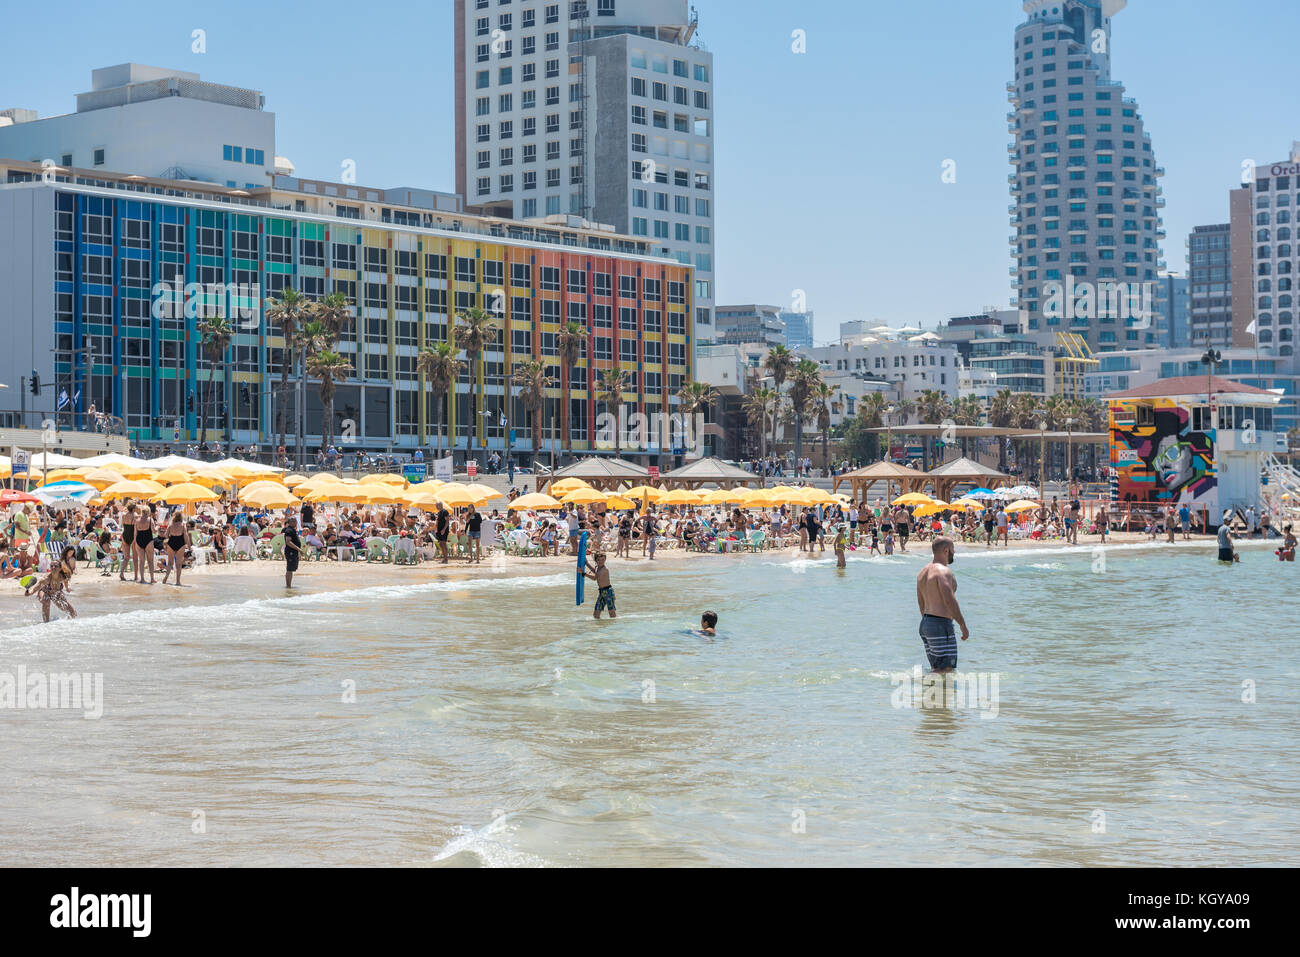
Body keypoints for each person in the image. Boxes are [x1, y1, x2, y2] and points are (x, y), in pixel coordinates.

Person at [915, 536, 969, 675]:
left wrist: (929, 624)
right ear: (946, 550)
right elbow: (949, 599)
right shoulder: (943, 571)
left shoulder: (922, 572)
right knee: (946, 670)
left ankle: (930, 695)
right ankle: (923, 686)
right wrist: (962, 624)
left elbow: (921, 602)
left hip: (926, 624)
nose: (954, 552)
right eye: (953, 549)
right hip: (940, 623)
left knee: (938, 669)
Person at [26, 545, 78, 622]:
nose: (53, 568)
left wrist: (67, 588)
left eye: (55, 566)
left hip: (56, 593)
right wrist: (30, 593)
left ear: (60, 568)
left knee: (73, 613)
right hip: (44, 591)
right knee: (46, 601)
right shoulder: (46, 579)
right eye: (51, 566)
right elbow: (37, 587)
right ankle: (46, 624)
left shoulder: (63, 576)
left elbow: (66, 581)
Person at [161, 509, 190, 586]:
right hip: (180, 543)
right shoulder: (183, 524)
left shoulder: (171, 524)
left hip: (171, 542)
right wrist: (189, 546)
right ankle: (177, 581)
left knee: (170, 563)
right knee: (179, 564)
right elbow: (186, 536)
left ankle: (166, 577)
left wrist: (170, 537)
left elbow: (166, 535)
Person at [583, 552, 616, 620]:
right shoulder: (598, 568)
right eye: (599, 560)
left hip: (608, 592)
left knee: (612, 614)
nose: (601, 561)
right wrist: (587, 563)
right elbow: (595, 571)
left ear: (605, 560)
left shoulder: (604, 570)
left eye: (602, 560)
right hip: (602, 592)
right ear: (596, 561)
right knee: (596, 614)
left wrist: (583, 574)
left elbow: (595, 578)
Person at [283, 511, 303, 586]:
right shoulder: (289, 530)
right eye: (293, 521)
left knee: (291, 570)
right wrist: (298, 549)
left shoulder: (293, 530)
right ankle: (288, 586)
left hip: (293, 552)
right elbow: (288, 542)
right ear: (289, 522)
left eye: (295, 521)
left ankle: (289, 586)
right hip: (290, 552)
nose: (295, 522)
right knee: (289, 570)